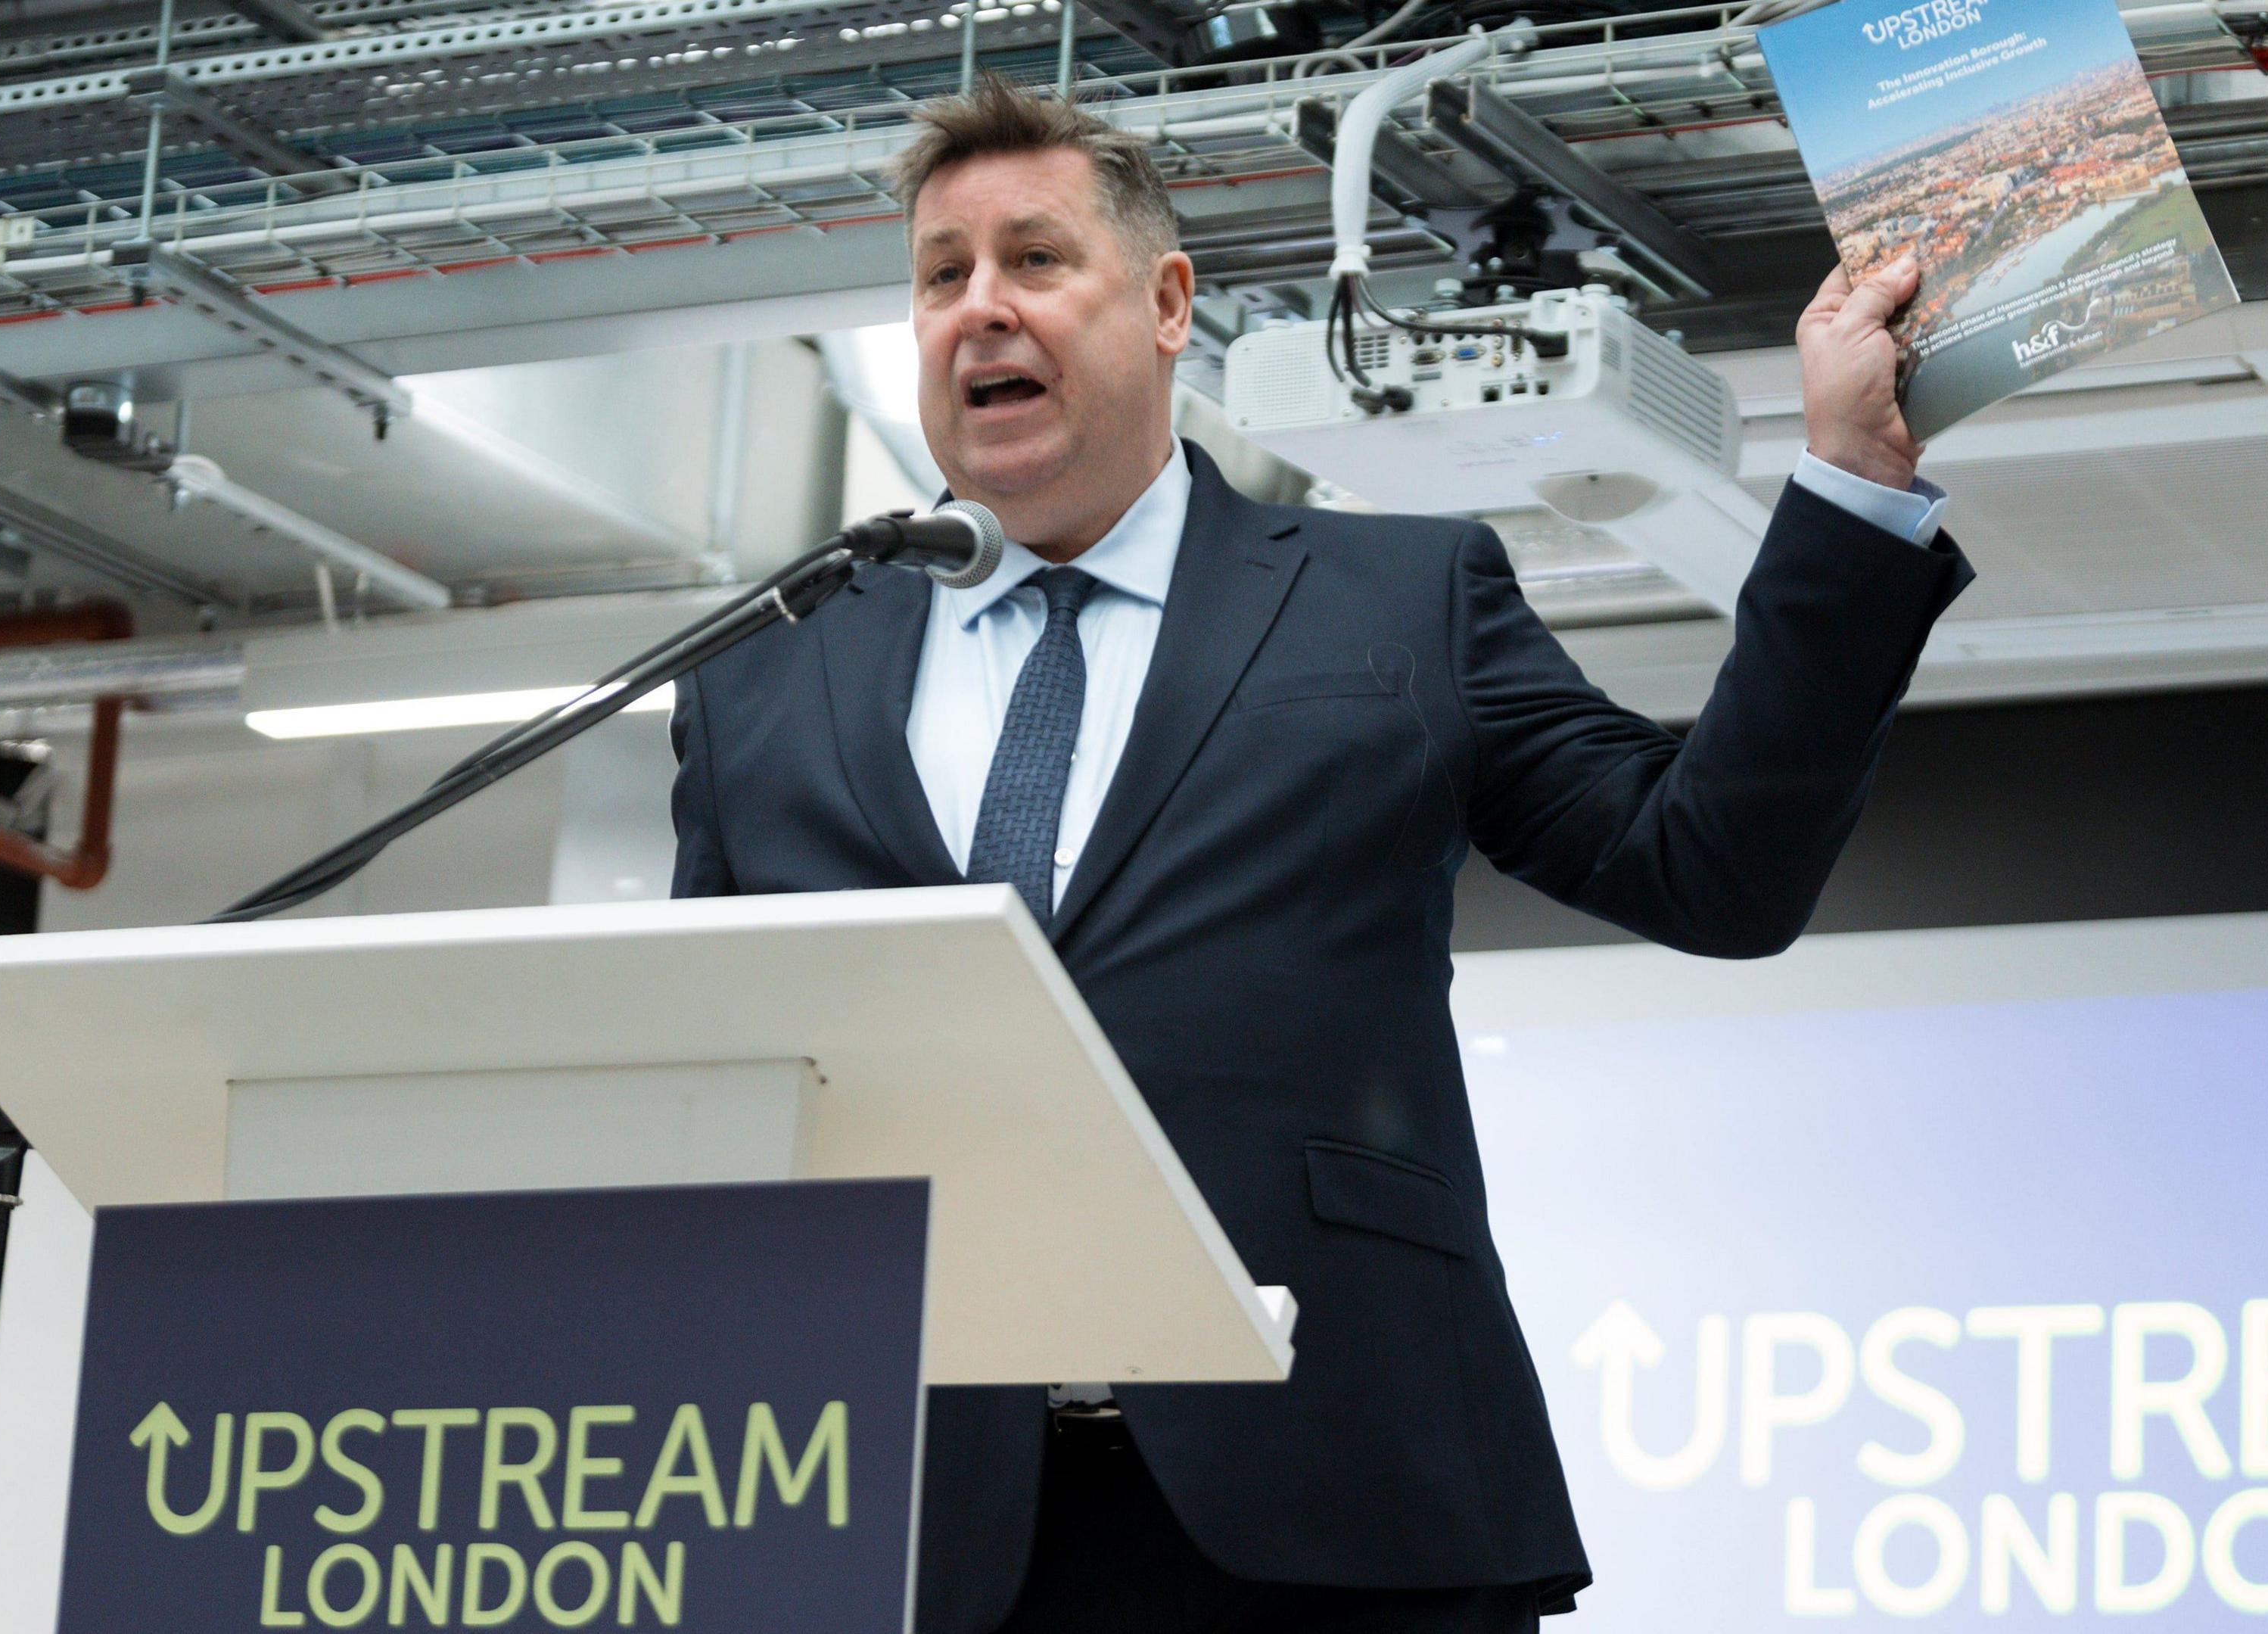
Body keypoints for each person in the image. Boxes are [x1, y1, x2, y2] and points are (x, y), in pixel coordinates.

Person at [670, 76, 1971, 1634]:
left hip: (1339, 1507)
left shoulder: (1394, 601)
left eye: (1033, 260)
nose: (980, 309)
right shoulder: (767, 676)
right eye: (941, 275)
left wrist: (1849, 486)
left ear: (1164, 304)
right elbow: (711, 1113)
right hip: (888, 1530)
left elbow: (1713, 868)